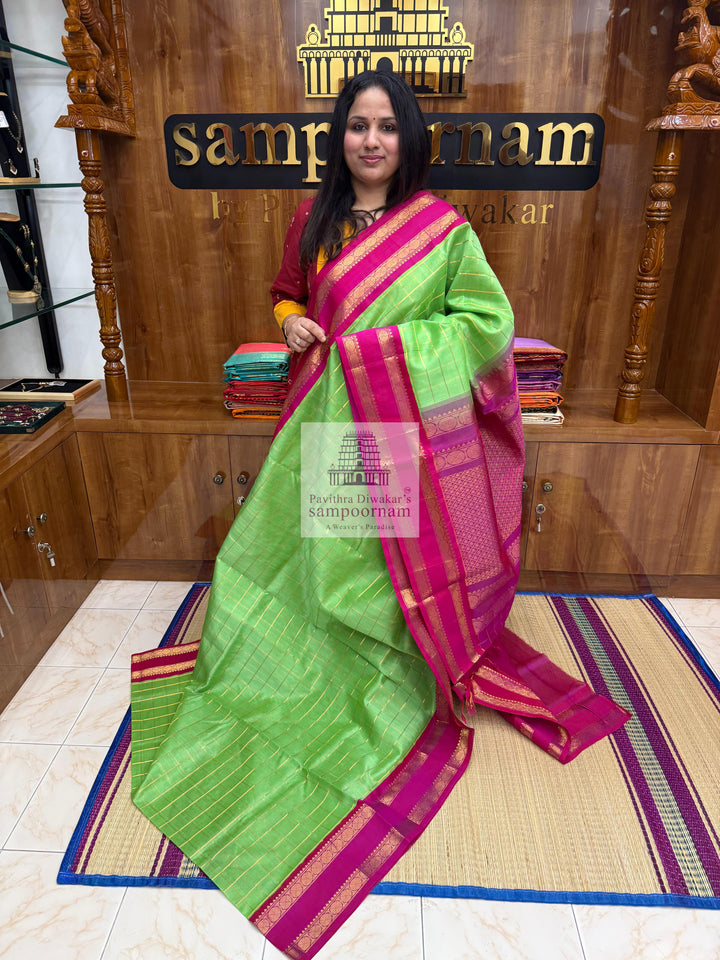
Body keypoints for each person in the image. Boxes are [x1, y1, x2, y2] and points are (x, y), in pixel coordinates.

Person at [130, 71, 629, 960]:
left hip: (398, 429)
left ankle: (386, 667)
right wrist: (290, 324)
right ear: (340, 137)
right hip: (322, 422)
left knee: (382, 563)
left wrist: (380, 352)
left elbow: (484, 323)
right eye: (356, 126)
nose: (369, 141)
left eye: (385, 128)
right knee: (317, 553)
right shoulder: (313, 220)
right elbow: (286, 292)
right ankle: (305, 660)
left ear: (407, 141)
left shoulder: (443, 233)